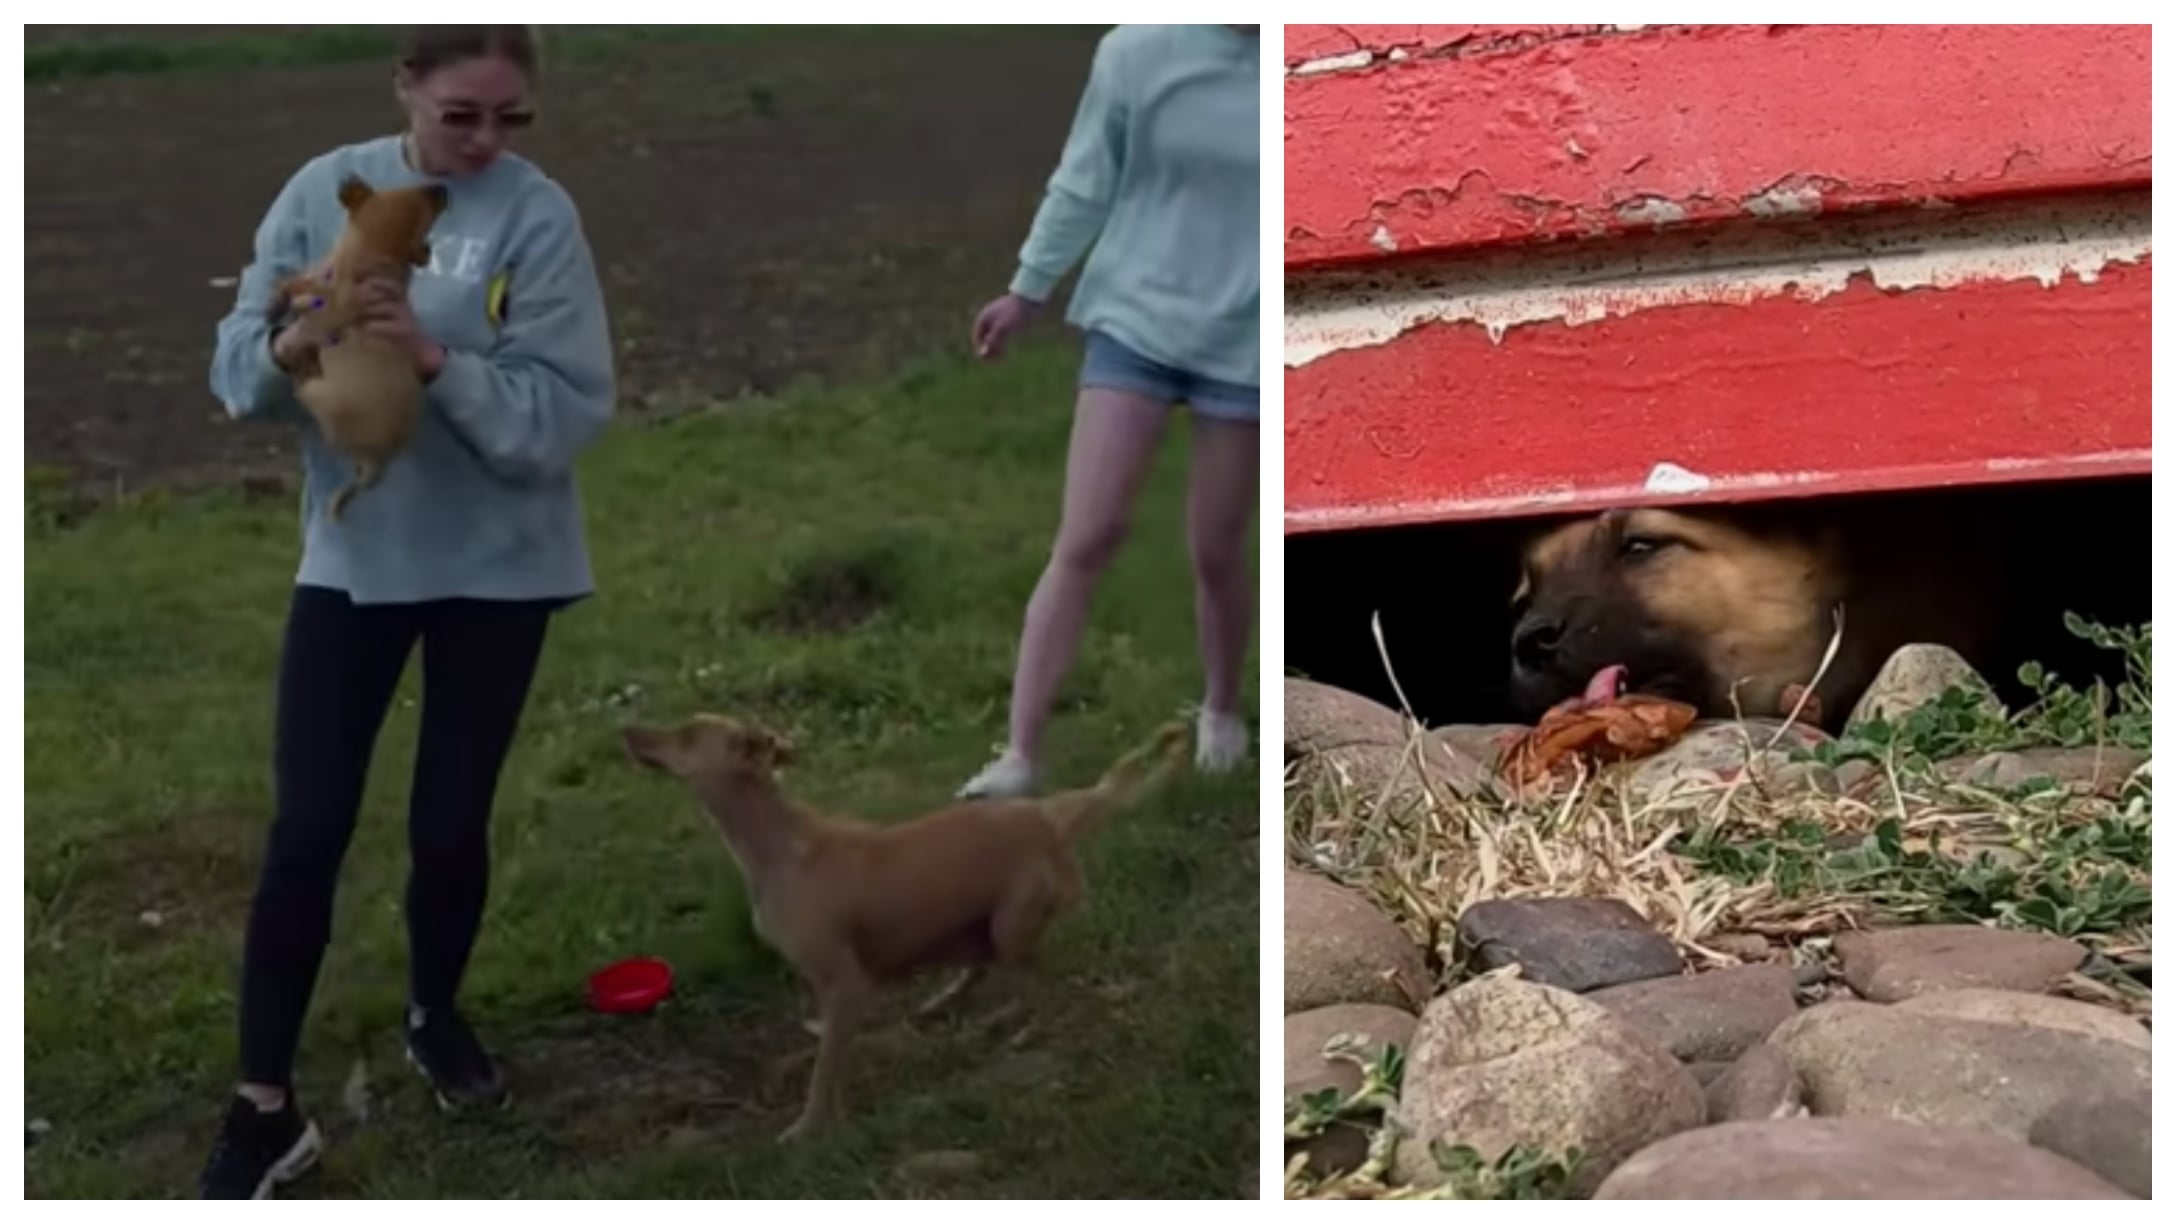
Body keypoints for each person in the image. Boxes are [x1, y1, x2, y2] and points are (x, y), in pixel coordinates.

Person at [196, 26, 614, 1199]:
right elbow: (234, 364)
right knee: (307, 828)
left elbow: (570, 413)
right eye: (459, 115)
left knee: (448, 822)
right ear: (405, 93)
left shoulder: (539, 219)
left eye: (507, 119)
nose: (484, 141)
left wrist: (435, 359)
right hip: (353, 560)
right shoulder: (322, 192)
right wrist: (296, 338)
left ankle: (436, 1015)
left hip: (503, 567)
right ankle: (262, 1110)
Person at [959, 24, 1261, 799]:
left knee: (1217, 550)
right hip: (1135, 322)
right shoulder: (1136, 51)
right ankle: (1020, 757)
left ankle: (1222, 710)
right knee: (1086, 534)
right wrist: (1027, 291)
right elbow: (1084, 178)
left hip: (1245, 343)